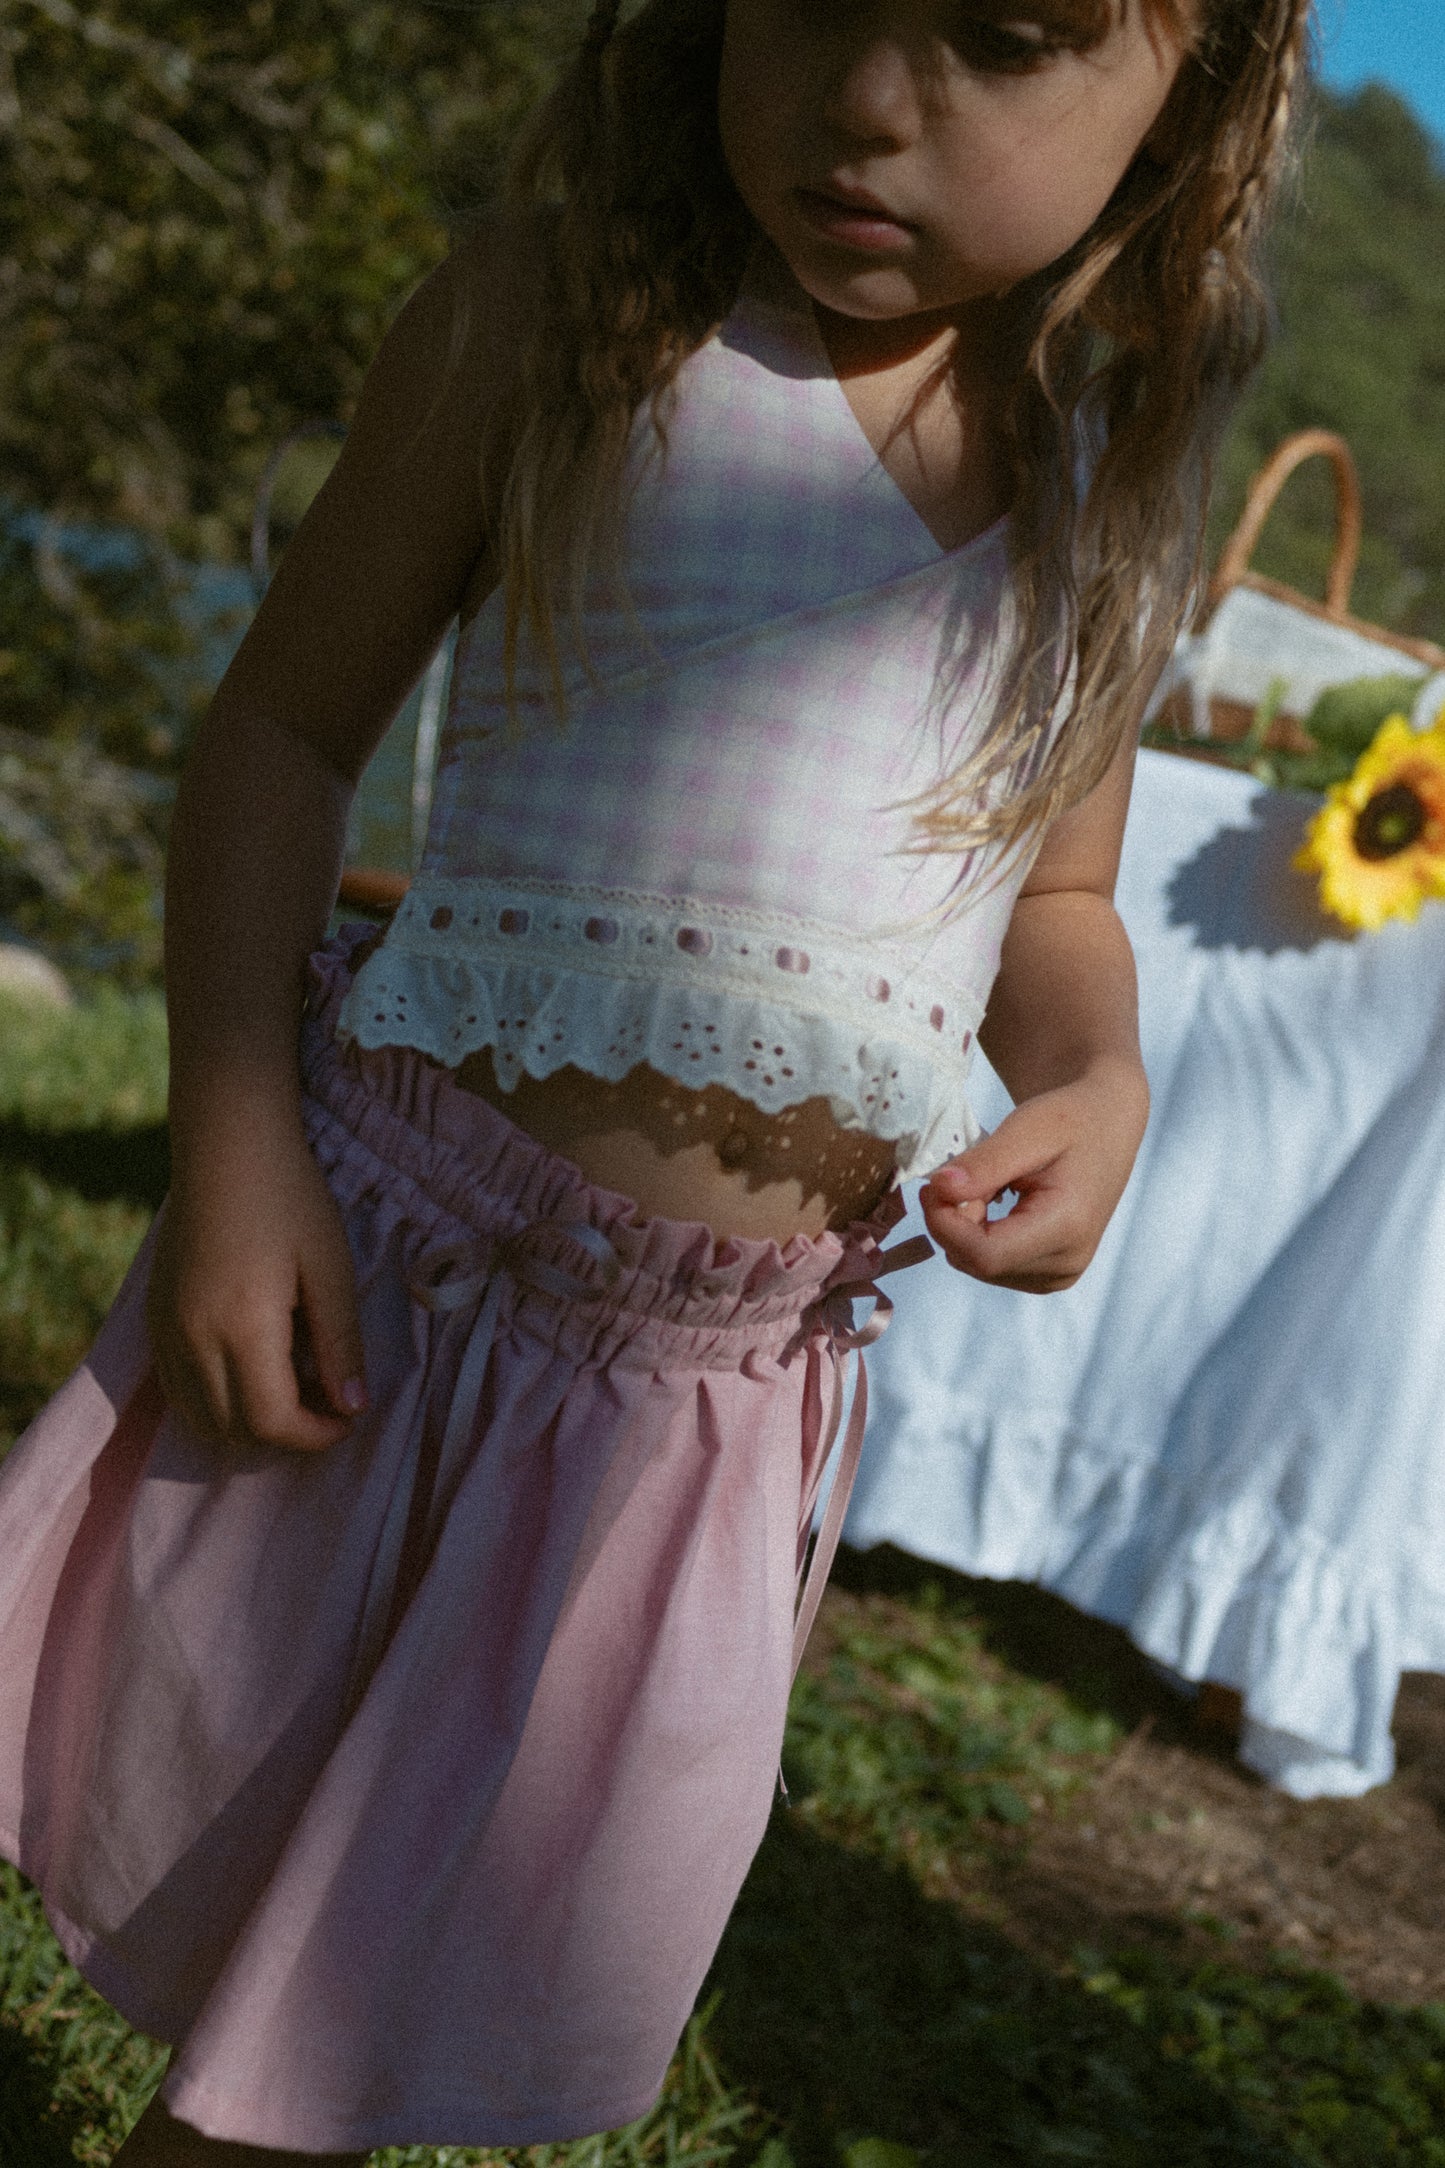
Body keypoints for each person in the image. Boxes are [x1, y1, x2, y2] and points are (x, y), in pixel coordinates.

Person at [0, 0, 1310, 2158]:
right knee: (219, 1812)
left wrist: (1100, 1077)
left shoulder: (1110, 479)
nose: (868, 99)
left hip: (694, 1422)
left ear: (1203, 83)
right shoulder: (572, 318)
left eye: (999, 34)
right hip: (393, 1292)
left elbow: (1058, 906)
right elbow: (280, 736)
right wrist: (234, 1144)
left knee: (362, 2002)